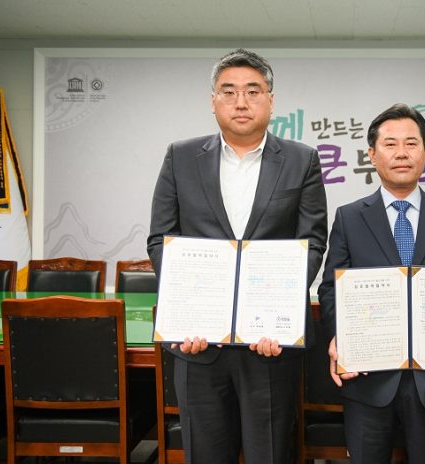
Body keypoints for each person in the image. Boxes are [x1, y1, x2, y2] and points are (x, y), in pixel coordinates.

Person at [147, 48, 328, 464]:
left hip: (270, 346)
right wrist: (187, 311)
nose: (241, 102)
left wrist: (276, 311)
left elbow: (312, 241)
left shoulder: (301, 159)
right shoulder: (180, 157)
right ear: (213, 101)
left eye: (252, 91)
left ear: (270, 100)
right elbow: (161, 239)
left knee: (271, 454)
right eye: (228, 92)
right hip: (197, 344)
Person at [318, 103, 425, 464]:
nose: (401, 153)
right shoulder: (349, 218)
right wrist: (340, 337)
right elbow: (331, 288)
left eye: (411, 144)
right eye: (390, 144)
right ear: (372, 154)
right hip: (367, 377)